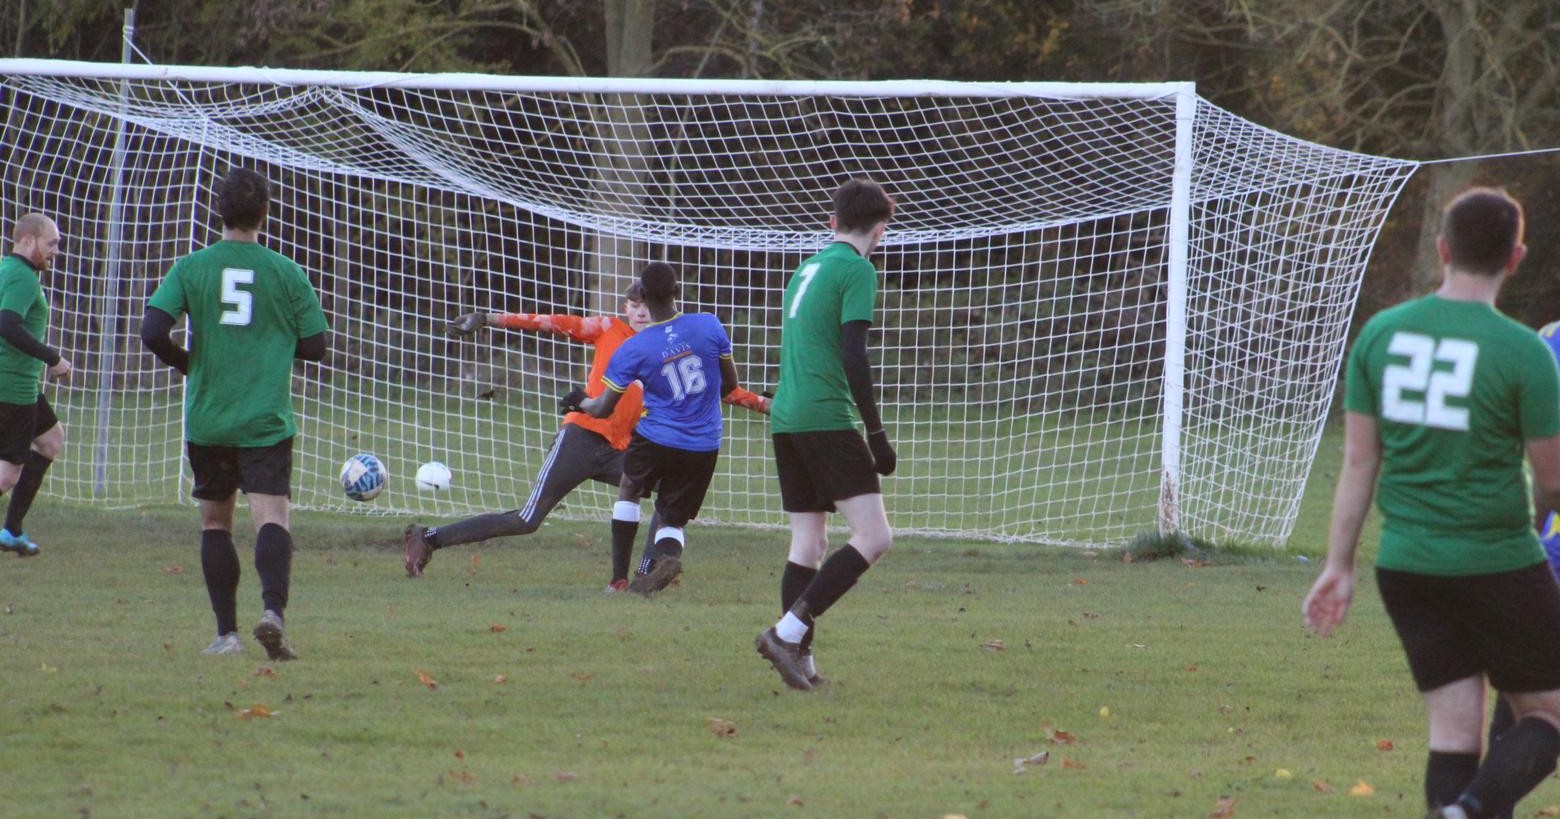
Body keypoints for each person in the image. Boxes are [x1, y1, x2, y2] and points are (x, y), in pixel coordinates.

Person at [1302, 187, 1560, 819]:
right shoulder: (1524, 350)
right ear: (1516, 257)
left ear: (1443, 249)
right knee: (1549, 715)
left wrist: (1338, 565)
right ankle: (1465, 814)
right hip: (1496, 561)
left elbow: (1361, 461)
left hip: (1407, 565)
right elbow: (1553, 480)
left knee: (1453, 731)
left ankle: (1456, 808)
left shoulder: (1381, 335)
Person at [402, 280, 769, 589]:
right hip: (582, 436)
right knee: (527, 520)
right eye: (633, 303)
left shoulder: (666, 345)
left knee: (668, 497)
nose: (639, 311)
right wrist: (489, 318)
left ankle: (645, 574)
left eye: (645, 303)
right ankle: (429, 537)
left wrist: (764, 405)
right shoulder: (608, 329)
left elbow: (718, 388)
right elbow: (549, 322)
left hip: (621, 449)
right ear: (626, 307)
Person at [140, 168, 329, 660]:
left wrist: (189, 363)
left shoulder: (192, 267)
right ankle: (273, 613)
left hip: (209, 419)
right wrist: (270, 344)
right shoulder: (285, 271)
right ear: (264, 213)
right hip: (264, 418)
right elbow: (316, 345)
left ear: (218, 211)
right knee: (272, 518)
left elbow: (152, 330)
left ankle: (226, 635)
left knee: (215, 525)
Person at [754, 178, 898, 692]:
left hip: (787, 416)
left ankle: (803, 664)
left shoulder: (807, 267)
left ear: (834, 220)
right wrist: (876, 433)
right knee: (875, 536)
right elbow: (853, 354)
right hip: (824, 416)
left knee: (808, 543)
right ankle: (785, 633)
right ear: (882, 225)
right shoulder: (857, 268)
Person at [566, 261, 747, 597]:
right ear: (677, 291)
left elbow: (603, 408)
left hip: (656, 437)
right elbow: (730, 385)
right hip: (704, 443)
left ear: (643, 296)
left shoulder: (635, 347)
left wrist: (580, 402)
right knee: (672, 517)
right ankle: (668, 559)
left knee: (629, 489)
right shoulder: (708, 325)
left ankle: (619, 579)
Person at [0, 213, 72, 556]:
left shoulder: (8, 270)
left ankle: (11, 531)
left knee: (51, 440)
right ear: (27, 240)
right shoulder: (23, 278)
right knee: (8, 475)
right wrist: (52, 358)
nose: (56, 251)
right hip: (11, 387)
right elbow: (8, 325)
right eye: (51, 243)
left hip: (22, 385)